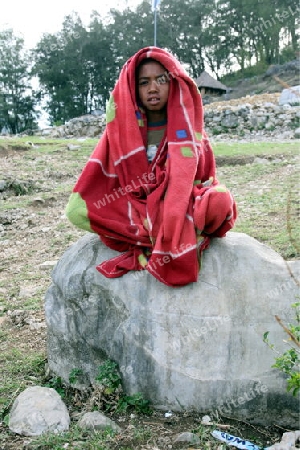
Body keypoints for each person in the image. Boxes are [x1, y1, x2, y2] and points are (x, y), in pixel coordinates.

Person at [65, 46, 237, 287]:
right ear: (133, 89)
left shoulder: (187, 129)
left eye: (161, 80)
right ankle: (163, 234)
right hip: (135, 204)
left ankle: (161, 232)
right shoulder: (120, 131)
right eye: (144, 82)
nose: (153, 88)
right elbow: (102, 177)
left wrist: (173, 200)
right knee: (76, 210)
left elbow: (203, 181)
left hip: (177, 204)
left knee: (219, 200)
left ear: (173, 83)